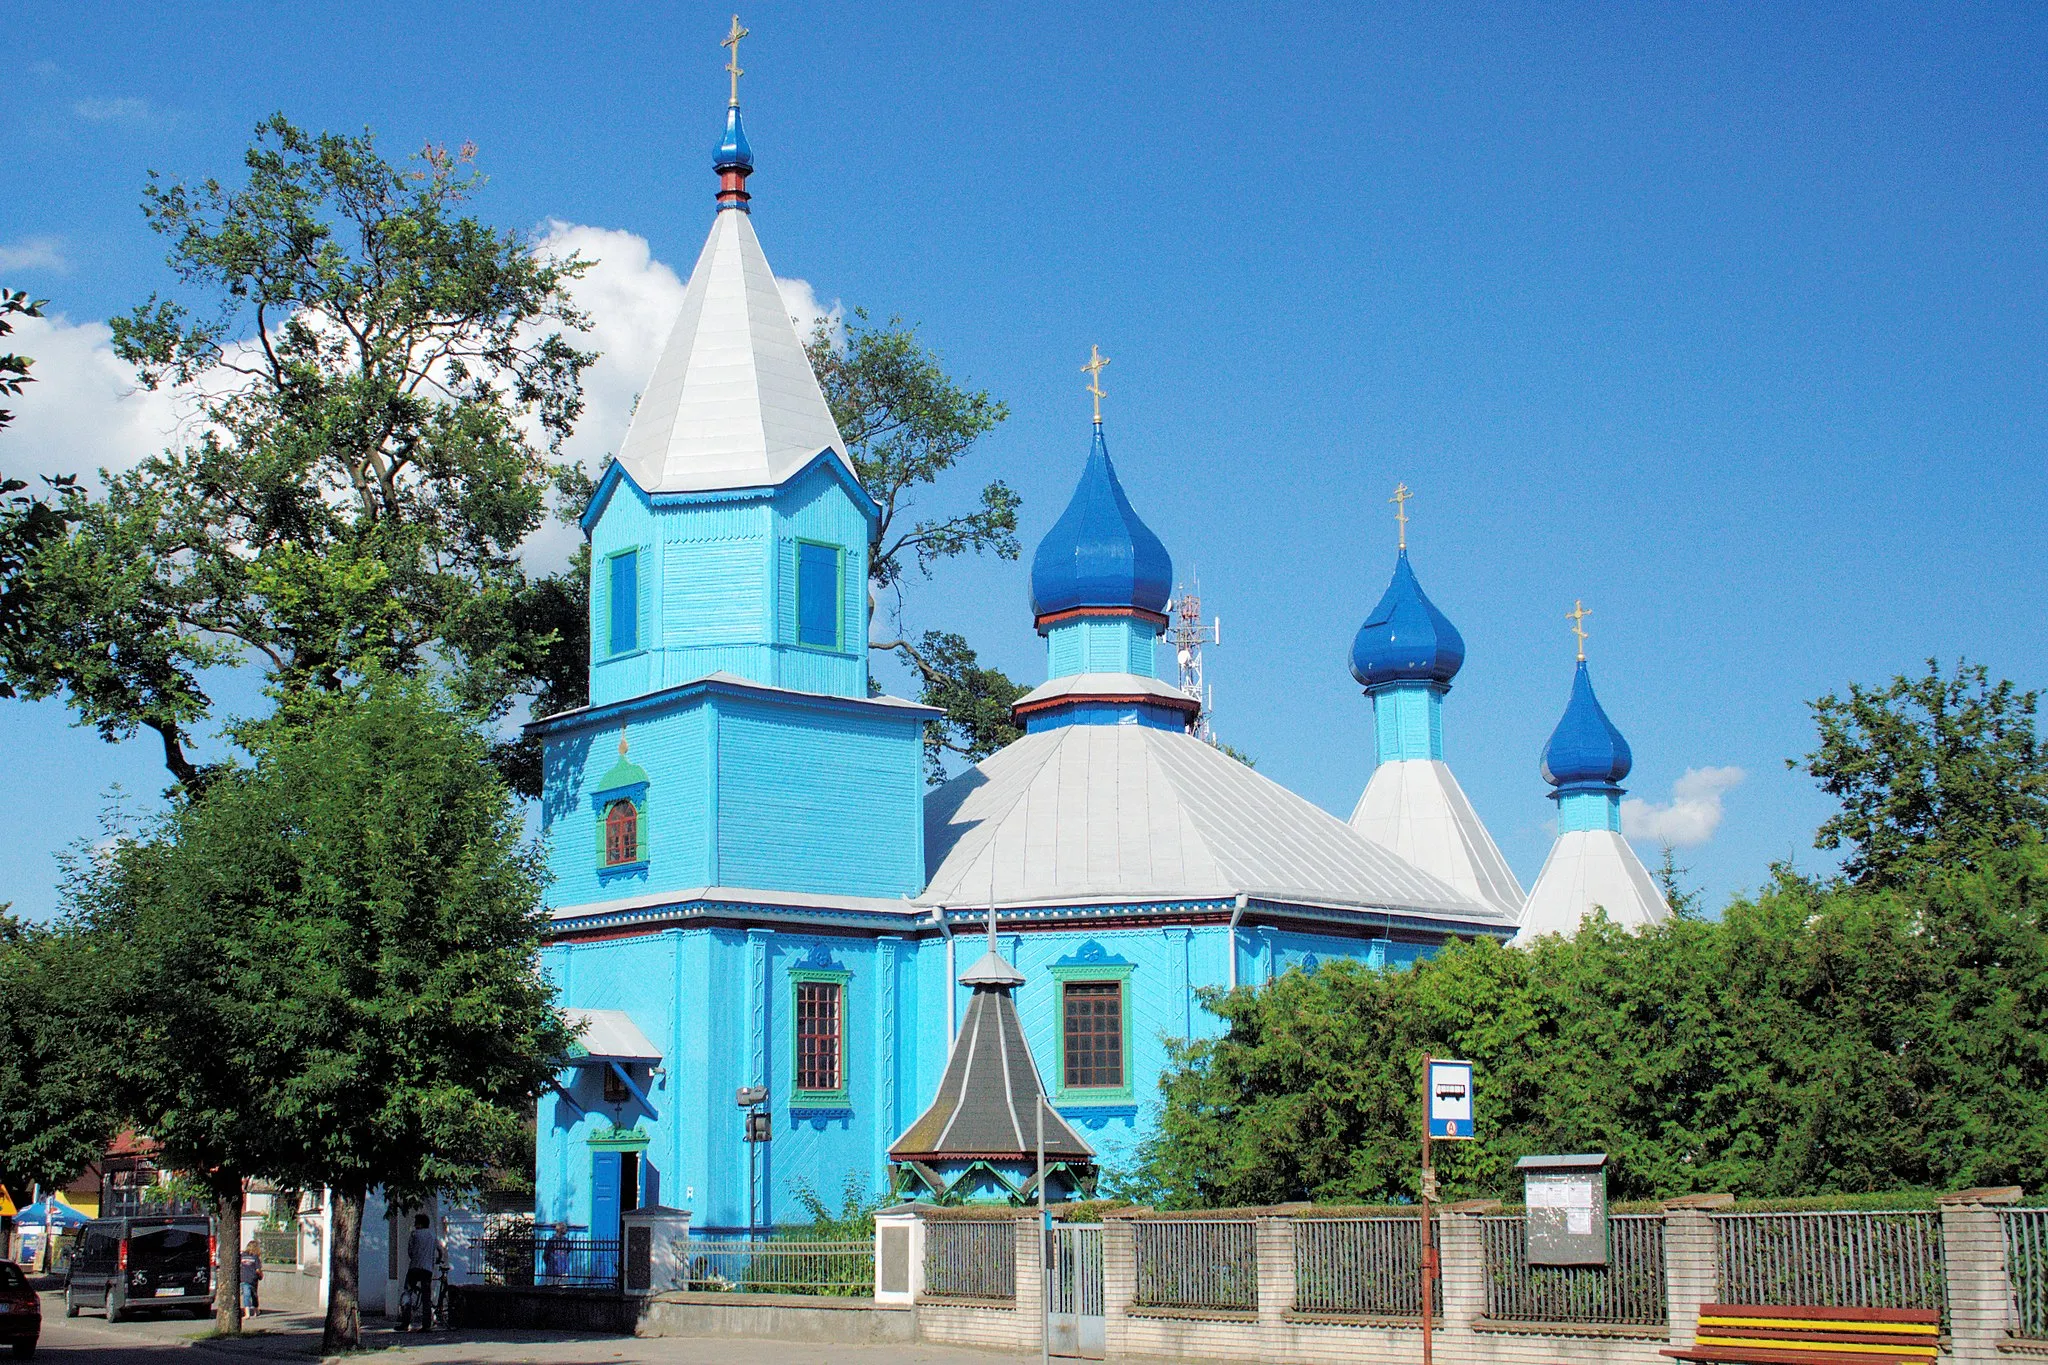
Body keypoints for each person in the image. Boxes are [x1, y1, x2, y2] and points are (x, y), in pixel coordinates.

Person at [404, 1214, 442, 1331]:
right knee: (426, 1297)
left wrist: (415, 1256)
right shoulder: (432, 1235)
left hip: (414, 1267)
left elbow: (410, 1252)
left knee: (407, 1292)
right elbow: (440, 1250)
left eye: (416, 1222)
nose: (415, 1225)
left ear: (420, 1224)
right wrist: (437, 1259)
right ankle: (426, 1324)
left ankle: (405, 1322)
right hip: (427, 1269)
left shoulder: (414, 1234)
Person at [238, 1240, 263, 1317]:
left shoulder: (242, 1256)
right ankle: (256, 1311)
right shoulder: (255, 1257)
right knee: (254, 1295)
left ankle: (247, 1313)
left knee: (246, 1295)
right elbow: (258, 1270)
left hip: (244, 1278)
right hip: (253, 1279)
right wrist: (261, 1275)